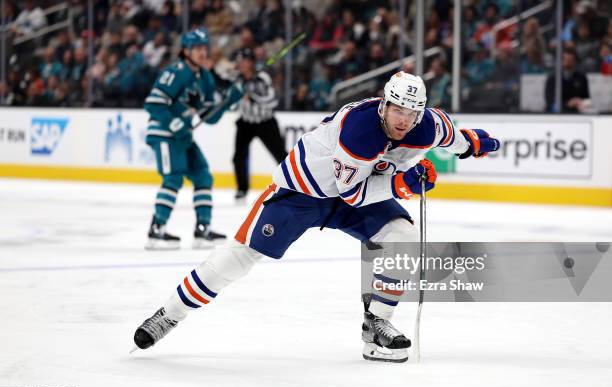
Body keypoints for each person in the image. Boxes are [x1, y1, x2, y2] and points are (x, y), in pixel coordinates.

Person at [133, 72, 500, 362]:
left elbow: (456, 139)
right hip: (301, 193)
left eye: (411, 113)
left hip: (358, 191)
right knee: (240, 256)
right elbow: (352, 194)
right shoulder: (360, 130)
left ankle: (377, 326)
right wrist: (403, 185)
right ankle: (169, 314)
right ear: (384, 105)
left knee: (402, 239)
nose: (404, 121)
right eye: (397, 110)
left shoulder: (427, 125)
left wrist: (479, 143)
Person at [144, 28, 244, 250]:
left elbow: (208, 118)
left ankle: (202, 230)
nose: (202, 52)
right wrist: (174, 123)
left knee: (202, 175)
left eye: (204, 47)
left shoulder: (205, 78)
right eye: (197, 48)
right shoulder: (176, 72)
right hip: (164, 134)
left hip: (183, 136)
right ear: (186, 50)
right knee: (173, 178)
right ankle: (156, 230)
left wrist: (228, 101)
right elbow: (153, 103)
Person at [232, 48, 287, 201]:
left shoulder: (262, 78)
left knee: (280, 155)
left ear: (251, 62)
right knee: (238, 156)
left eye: (243, 61)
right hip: (246, 123)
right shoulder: (238, 79)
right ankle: (242, 189)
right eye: (239, 61)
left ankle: (294, 184)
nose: (240, 64)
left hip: (265, 122)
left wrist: (253, 97)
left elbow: (273, 101)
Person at [545, 48, 590, 113]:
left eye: (571, 60)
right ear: (561, 61)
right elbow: (550, 101)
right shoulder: (553, 78)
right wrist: (568, 103)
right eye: (566, 60)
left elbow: (587, 98)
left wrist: (581, 102)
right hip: (557, 115)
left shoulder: (581, 77)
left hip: (577, 114)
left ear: (575, 61)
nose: (568, 63)